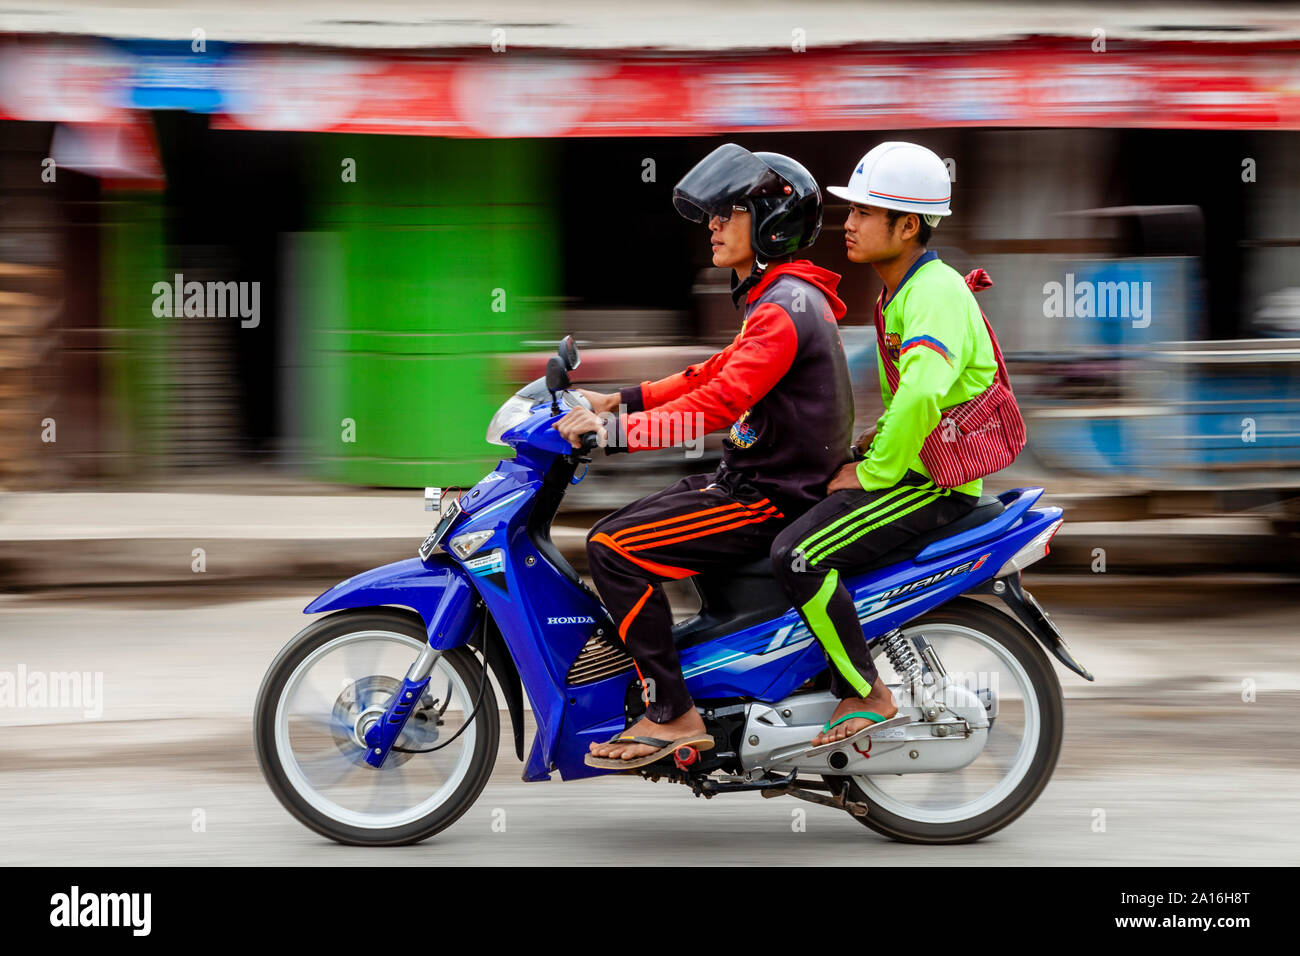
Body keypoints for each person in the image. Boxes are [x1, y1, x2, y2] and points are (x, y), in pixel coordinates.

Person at [553, 143, 853, 769]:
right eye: (713, 214)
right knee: (629, 526)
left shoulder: (784, 309)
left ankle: (673, 715)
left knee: (613, 547)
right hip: (749, 480)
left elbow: (717, 404)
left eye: (728, 212)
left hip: (769, 500)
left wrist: (612, 435)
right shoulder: (780, 299)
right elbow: (707, 373)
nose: (713, 225)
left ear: (771, 222)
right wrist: (618, 399)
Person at [770, 142, 999, 748]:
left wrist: (873, 473)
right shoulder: (902, 291)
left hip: (933, 486)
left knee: (798, 555)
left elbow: (923, 393)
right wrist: (862, 452)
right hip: (913, 471)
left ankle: (867, 692)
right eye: (852, 211)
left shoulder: (933, 292)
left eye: (866, 213)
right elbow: (910, 402)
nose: (848, 223)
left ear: (907, 226)